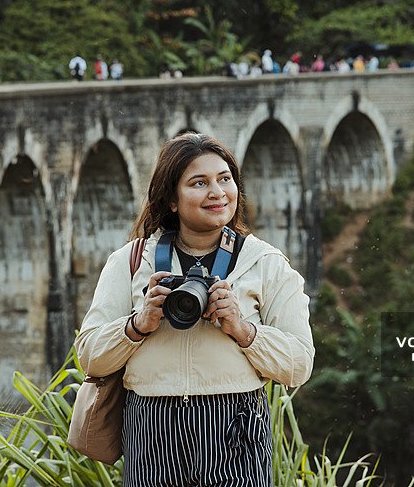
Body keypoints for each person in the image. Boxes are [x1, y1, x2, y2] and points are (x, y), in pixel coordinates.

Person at [75, 133, 315, 487]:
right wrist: (137, 325)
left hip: (236, 425)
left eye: (224, 179)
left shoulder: (265, 263)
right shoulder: (130, 261)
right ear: (172, 199)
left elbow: (300, 363)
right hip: (152, 428)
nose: (217, 192)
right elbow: (89, 356)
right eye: (199, 183)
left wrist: (243, 330)